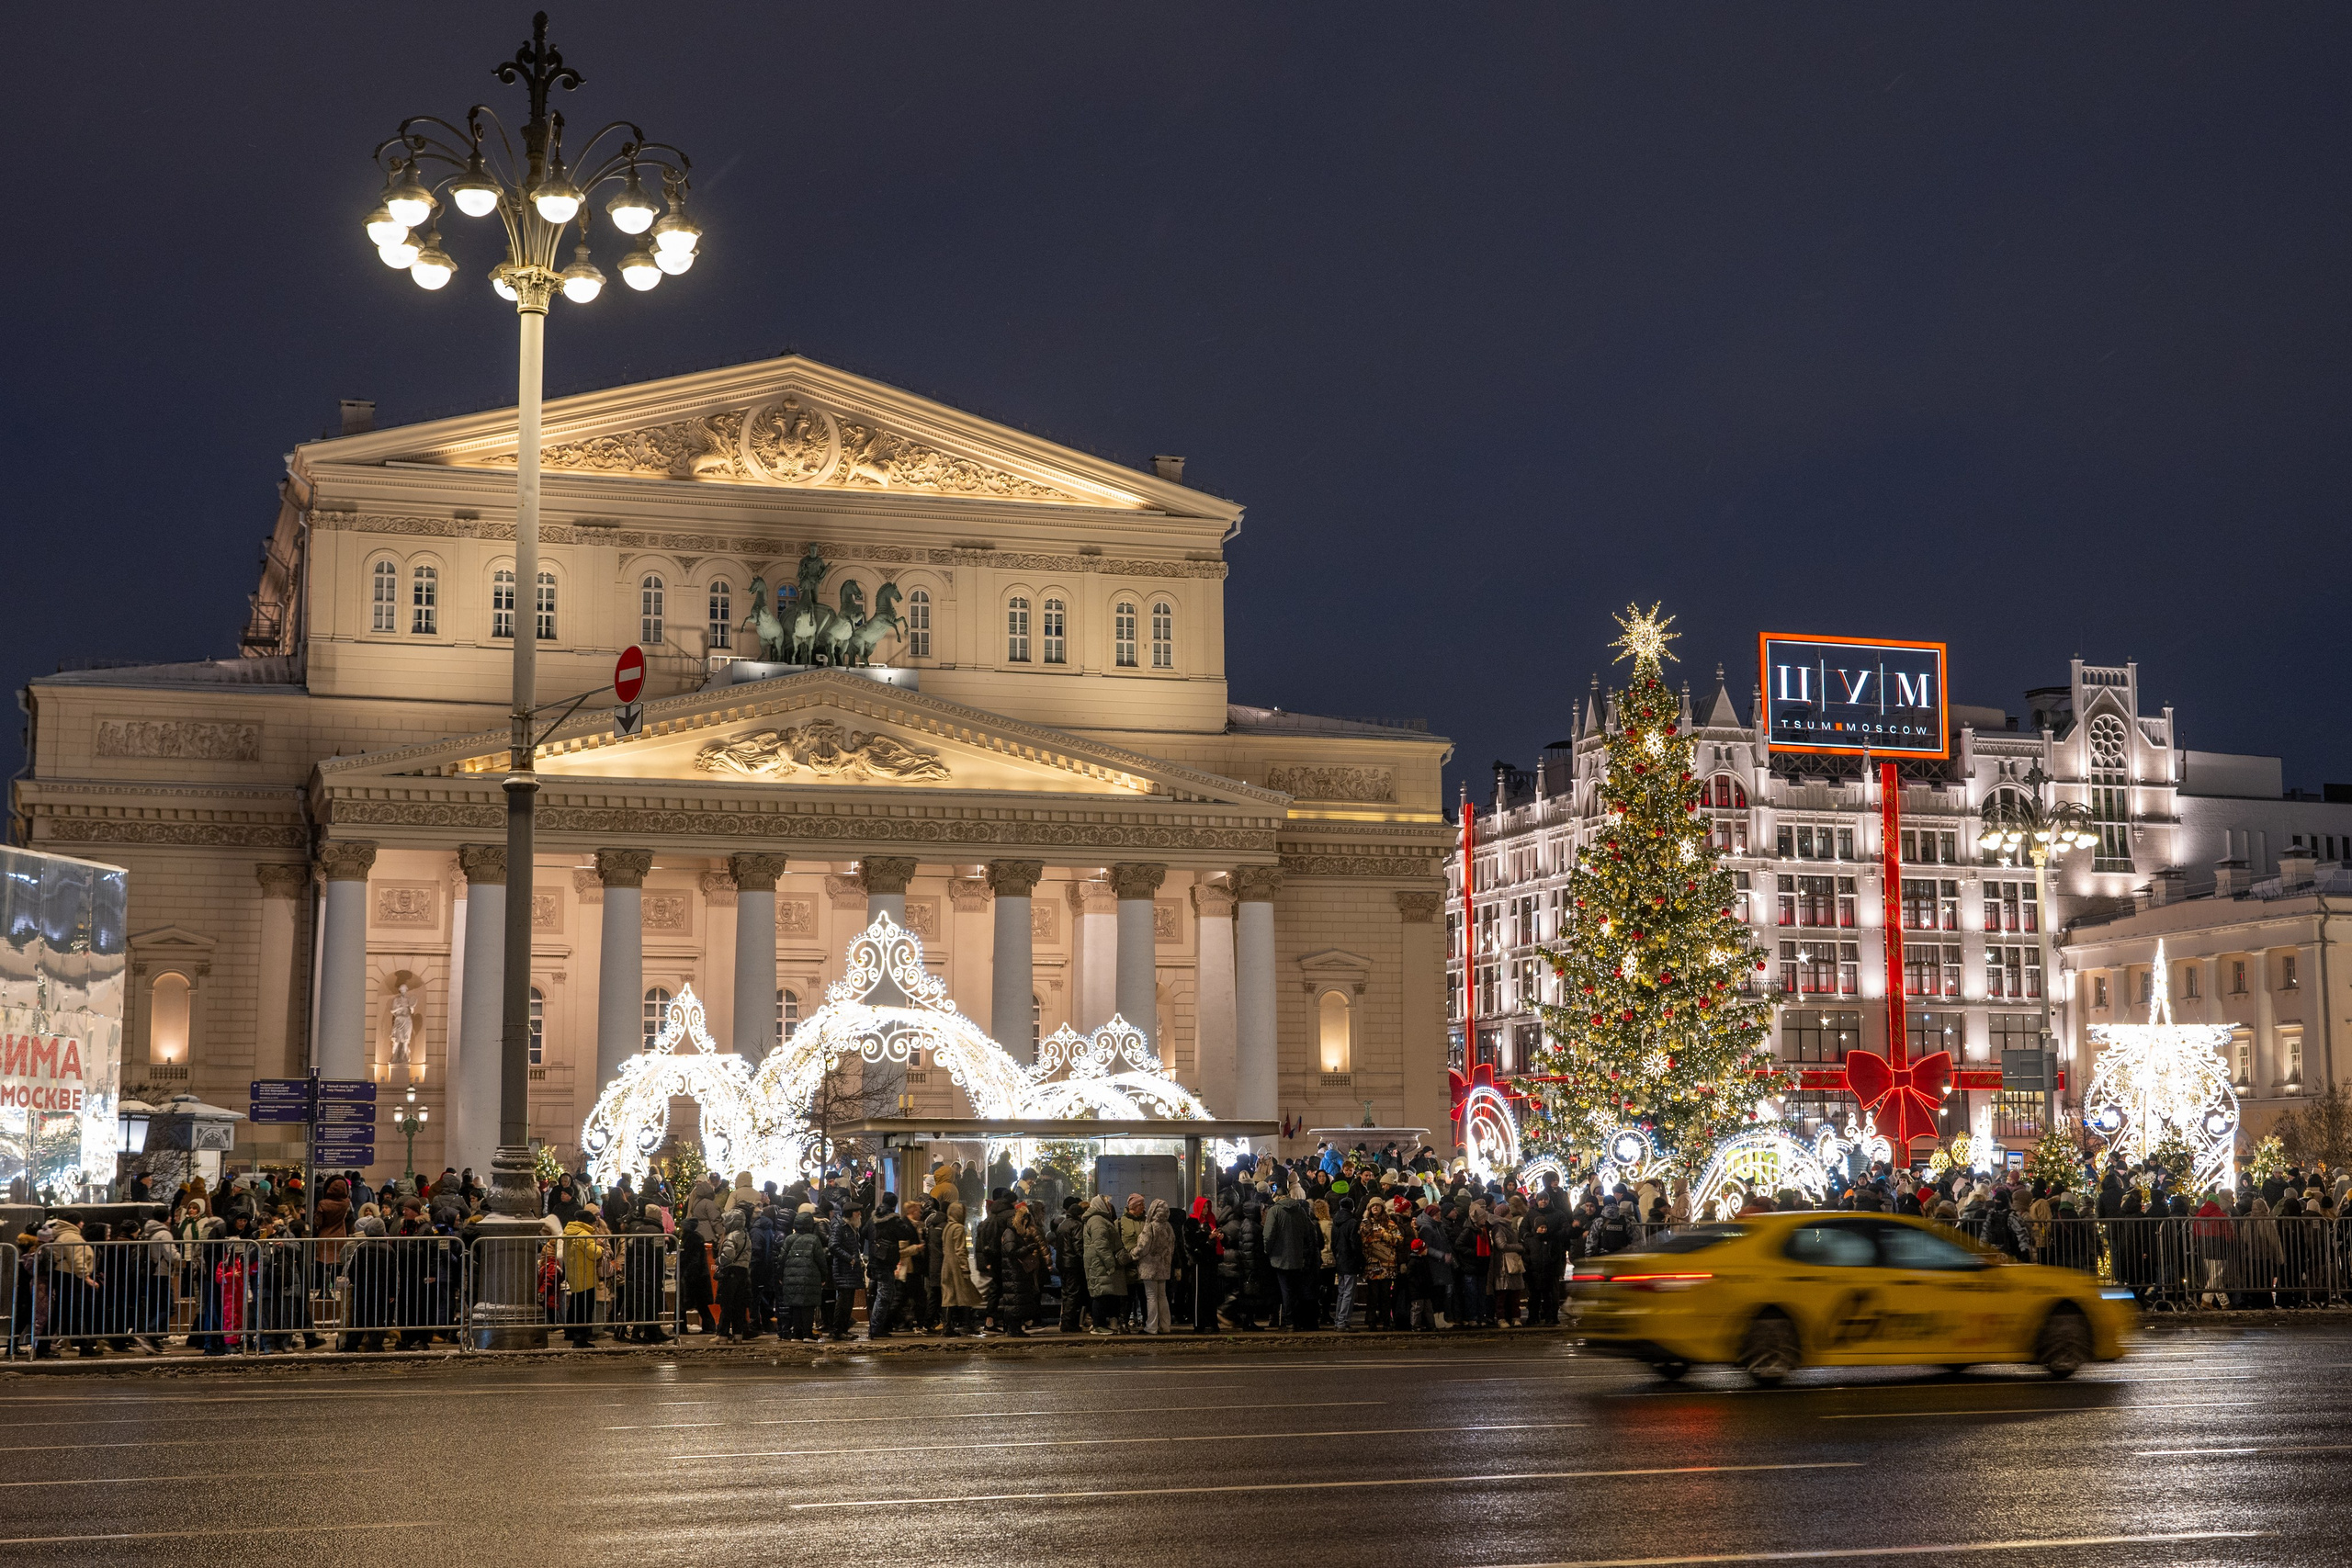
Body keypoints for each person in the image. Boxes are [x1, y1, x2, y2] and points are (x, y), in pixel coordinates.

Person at [865, 1192, 921, 1339]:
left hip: (874, 1260)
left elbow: (864, 1232)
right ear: (894, 1205)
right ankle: (876, 1327)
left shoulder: (873, 1219)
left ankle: (877, 1326)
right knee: (884, 1295)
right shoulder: (893, 1220)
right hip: (886, 1261)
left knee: (880, 1294)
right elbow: (906, 1234)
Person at [1265, 1186, 1317, 1330]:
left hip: (1279, 1257)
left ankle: (1289, 1321)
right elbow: (1306, 1232)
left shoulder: (1274, 1211)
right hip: (1297, 1256)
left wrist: (1267, 1251)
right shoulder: (1300, 1210)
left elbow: (1268, 1235)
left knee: (1285, 1289)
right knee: (1294, 1289)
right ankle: (1295, 1319)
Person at [995, 1203, 1045, 1336]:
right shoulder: (1011, 1233)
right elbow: (1011, 1251)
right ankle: (1013, 1329)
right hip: (1013, 1272)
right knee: (1015, 1301)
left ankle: (1015, 1328)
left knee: (1017, 1301)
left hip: (1015, 1273)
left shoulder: (1012, 1233)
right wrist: (1027, 1249)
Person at [1081, 1195, 1125, 1335]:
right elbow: (1101, 1245)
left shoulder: (1099, 1219)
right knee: (1100, 1294)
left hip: (1099, 1263)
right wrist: (1110, 1262)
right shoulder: (1097, 1220)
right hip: (1099, 1264)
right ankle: (1098, 1325)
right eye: (1107, 1204)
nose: (1109, 1206)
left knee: (1104, 1293)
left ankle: (1101, 1324)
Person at [1132, 1199, 1177, 1334]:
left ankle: (1151, 1327)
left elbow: (1143, 1247)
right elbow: (1172, 1247)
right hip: (1163, 1266)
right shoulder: (1168, 1227)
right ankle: (1165, 1326)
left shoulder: (1150, 1226)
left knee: (1151, 1296)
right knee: (1162, 1296)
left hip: (1149, 1266)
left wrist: (1133, 1254)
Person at [937, 1201, 981, 1336]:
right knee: (966, 1294)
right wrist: (965, 1267)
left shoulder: (947, 1227)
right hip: (956, 1267)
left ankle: (947, 1326)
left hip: (946, 1264)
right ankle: (967, 1324)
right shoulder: (958, 1228)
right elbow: (960, 1250)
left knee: (949, 1296)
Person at [715, 1206, 753, 1341]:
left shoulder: (731, 1236)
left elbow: (728, 1255)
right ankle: (738, 1334)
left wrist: (718, 1261)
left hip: (731, 1272)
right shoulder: (746, 1235)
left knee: (727, 1304)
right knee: (739, 1305)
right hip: (743, 1271)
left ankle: (723, 1335)